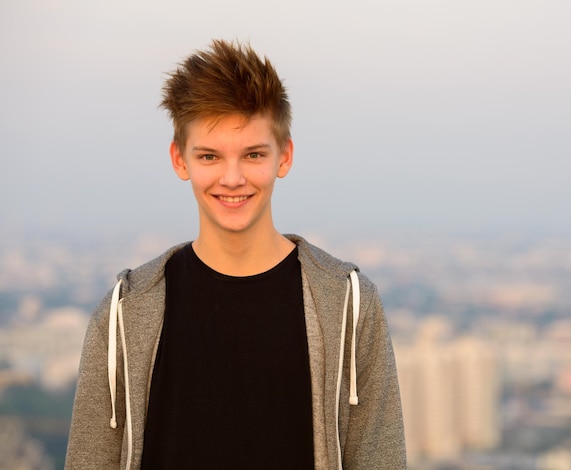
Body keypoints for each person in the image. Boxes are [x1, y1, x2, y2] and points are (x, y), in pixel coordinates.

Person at [65, 39, 406, 470]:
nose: (232, 178)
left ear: (284, 156)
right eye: (209, 155)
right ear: (179, 159)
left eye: (253, 155)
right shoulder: (125, 312)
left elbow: (381, 458)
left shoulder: (348, 303)